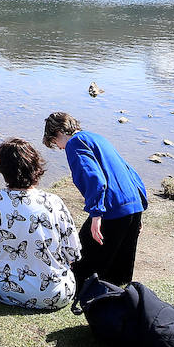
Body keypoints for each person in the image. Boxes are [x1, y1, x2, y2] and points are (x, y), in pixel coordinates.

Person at [44, 111, 148, 286]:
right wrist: (139, 207)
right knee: (121, 269)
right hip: (132, 203)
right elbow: (129, 170)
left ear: (58, 133)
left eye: (55, 143)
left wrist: (96, 214)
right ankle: (118, 295)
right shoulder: (96, 138)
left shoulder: (75, 144)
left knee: (82, 255)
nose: (60, 148)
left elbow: (93, 178)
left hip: (112, 207)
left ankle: (76, 290)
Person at [0, 137, 81, 310]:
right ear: (35, 167)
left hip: (1, 288)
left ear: (3, 169)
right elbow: (73, 253)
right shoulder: (53, 202)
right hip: (53, 294)